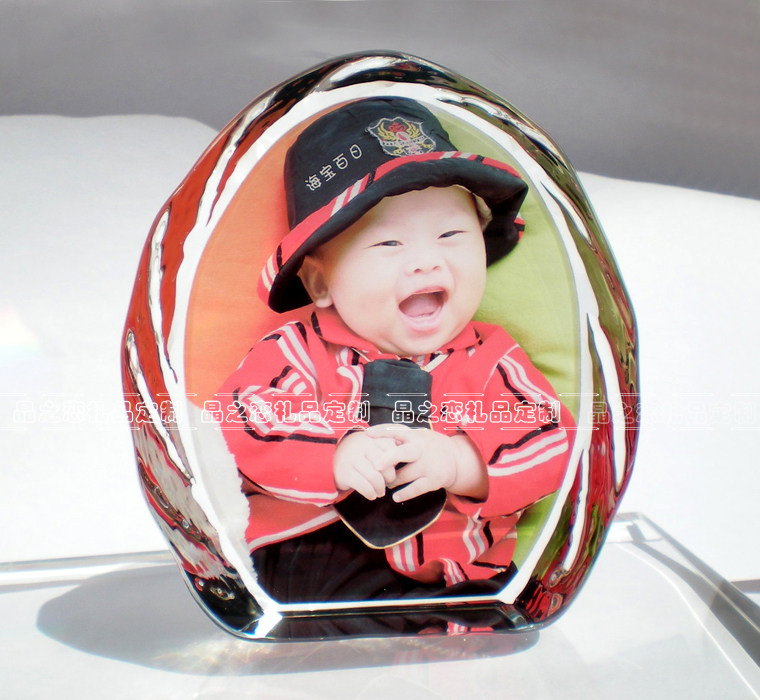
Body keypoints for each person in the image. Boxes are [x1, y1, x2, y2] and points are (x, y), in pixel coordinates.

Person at [217, 97, 575, 603]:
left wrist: (460, 461)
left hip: (461, 581)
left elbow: (552, 438)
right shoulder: (296, 352)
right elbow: (240, 419)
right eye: (389, 244)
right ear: (320, 282)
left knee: (496, 628)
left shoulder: (492, 359)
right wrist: (335, 454)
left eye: (451, 234)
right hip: (313, 558)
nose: (427, 262)